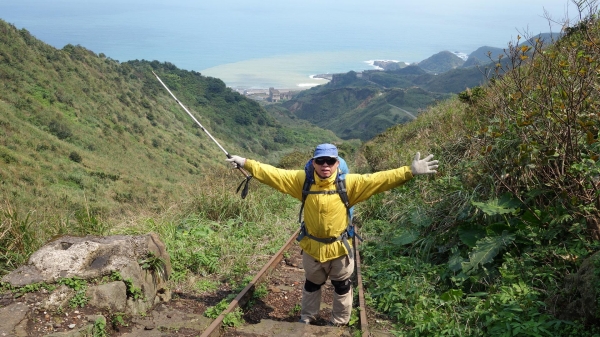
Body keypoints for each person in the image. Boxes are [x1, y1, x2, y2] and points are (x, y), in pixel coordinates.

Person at [226, 143, 439, 326]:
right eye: (321, 161)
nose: (325, 165)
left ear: (337, 163)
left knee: (342, 285)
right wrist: (245, 162)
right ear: (313, 163)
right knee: (312, 283)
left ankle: (339, 321)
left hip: (339, 247)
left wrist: (409, 171)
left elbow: (379, 180)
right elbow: (272, 173)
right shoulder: (303, 181)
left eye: (330, 161)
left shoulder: (349, 183)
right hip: (312, 247)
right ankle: (308, 317)